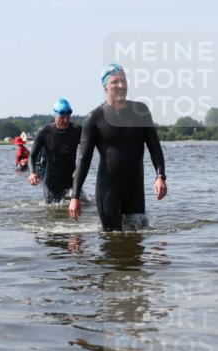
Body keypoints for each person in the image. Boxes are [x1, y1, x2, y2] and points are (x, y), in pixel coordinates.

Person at [69, 63, 167, 230]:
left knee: (138, 237)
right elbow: (84, 159)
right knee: (112, 238)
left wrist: (160, 177)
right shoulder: (94, 118)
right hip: (108, 190)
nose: (121, 85)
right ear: (105, 87)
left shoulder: (141, 111)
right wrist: (75, 196)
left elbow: (155, 147)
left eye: (123, 80)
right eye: (115, 82)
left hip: (135, 190)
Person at [28, 98, 83, 203]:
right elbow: (32, 155)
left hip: (72, 178)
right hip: (52, 181)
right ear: (55, 115)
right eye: (62, 117)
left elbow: (86, 151)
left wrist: (80, 169)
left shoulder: (77, 130)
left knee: (81, 207)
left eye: (68, 116)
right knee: (52, 209)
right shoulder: (44, 132)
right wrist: (32, 173)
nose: (65, 120)